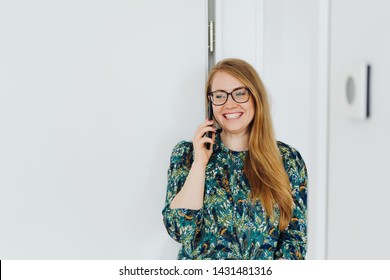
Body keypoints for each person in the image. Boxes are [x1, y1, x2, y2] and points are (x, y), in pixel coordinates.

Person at [162, 58, 308, 260]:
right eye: (220, 96)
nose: (229, 104)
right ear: (210, 102)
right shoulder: (186, 154)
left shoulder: (288, 159)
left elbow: (294, 244)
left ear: (256, 98)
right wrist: (199, 163)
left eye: (240, 93)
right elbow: (180, 231)